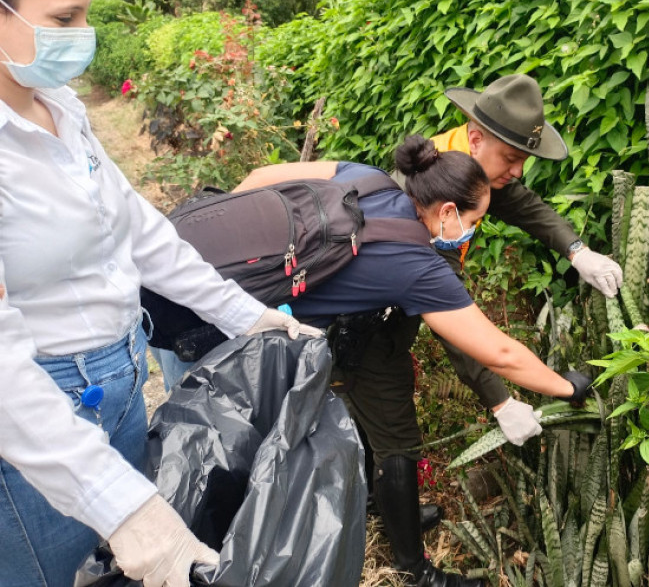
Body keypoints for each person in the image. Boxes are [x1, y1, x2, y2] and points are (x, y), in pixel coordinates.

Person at [0, 0, 318, 587]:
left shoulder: (60, 109)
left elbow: (141, 232)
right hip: (32, 419)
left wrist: (247, 316)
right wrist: (125, 507)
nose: (81, 36)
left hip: (116, 378)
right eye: (62, 19)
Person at [152, 136, 592, 587]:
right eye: (475, 220)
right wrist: (567, 387)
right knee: (211, 463)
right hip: (209, 335)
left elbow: (262, 180)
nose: (473, 230)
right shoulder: (418, 266)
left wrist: (242, 258)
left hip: (176, 276)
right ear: (446, 212)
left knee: (202, 449)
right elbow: (498, 350)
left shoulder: (366, 177)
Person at [418, 73, 624, 446]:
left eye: (524, 160)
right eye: (512, 159)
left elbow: (526, 207)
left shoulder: (471, 163)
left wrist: (579, 253)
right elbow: (452, 317)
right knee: (389, 421)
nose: (517, 172)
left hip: (395, 300)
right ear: (477, 139)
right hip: (361, 313)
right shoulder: (431, 193)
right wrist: (500, 403)